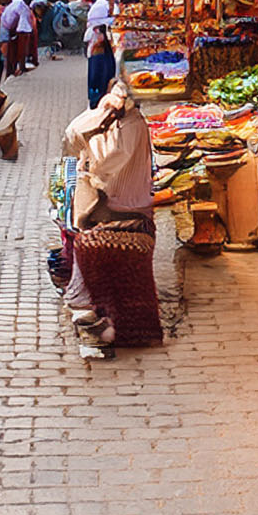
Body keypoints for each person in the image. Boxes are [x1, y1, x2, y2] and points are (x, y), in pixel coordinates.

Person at [62, 80, 162, 349]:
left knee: (83, 228)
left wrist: (99, 123)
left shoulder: (131, 127)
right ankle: (89, 304)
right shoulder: (119, 123)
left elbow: (103, 162)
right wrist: (101, 109)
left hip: (128, 209)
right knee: (75, 217)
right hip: (115, 203)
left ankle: (91, 306)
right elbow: (72, 135)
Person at [84, 0, 116, 107]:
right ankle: (97, 101)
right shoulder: (97, 36)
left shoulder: (95, 34)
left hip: (98, 56)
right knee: (99, 76)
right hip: (98, 58)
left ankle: (96, 100)